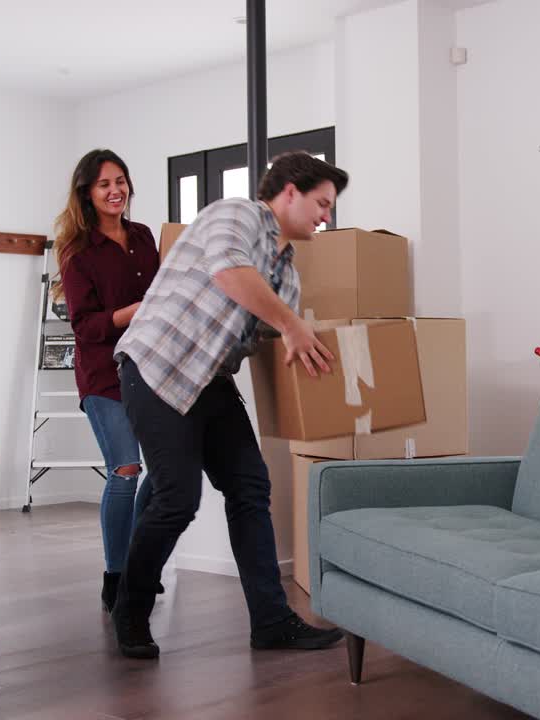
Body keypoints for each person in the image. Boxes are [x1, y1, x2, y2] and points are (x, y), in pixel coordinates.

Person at [110, 151, 348, 659]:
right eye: (322, 202)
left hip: (211, 380)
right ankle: (130, 609)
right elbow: (228, 272)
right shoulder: (236, 214)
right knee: (178, 497)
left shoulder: (287, 275)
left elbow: (277, 338)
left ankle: (271, 622)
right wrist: (291, 325)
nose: (326, 215)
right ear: (290, 191)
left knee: (249, 486)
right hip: (157, 365)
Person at [55, 149, 156, 614]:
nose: (116, 191)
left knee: (166, 471)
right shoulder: (77, 252)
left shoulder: (144, 236)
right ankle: (115, 578)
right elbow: (85, 326)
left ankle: (139, 564)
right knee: (125, 470)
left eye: (120, 181)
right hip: (103, 375)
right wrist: (131, 312)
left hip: (150, 368)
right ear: (88, 193)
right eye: (104, 184)